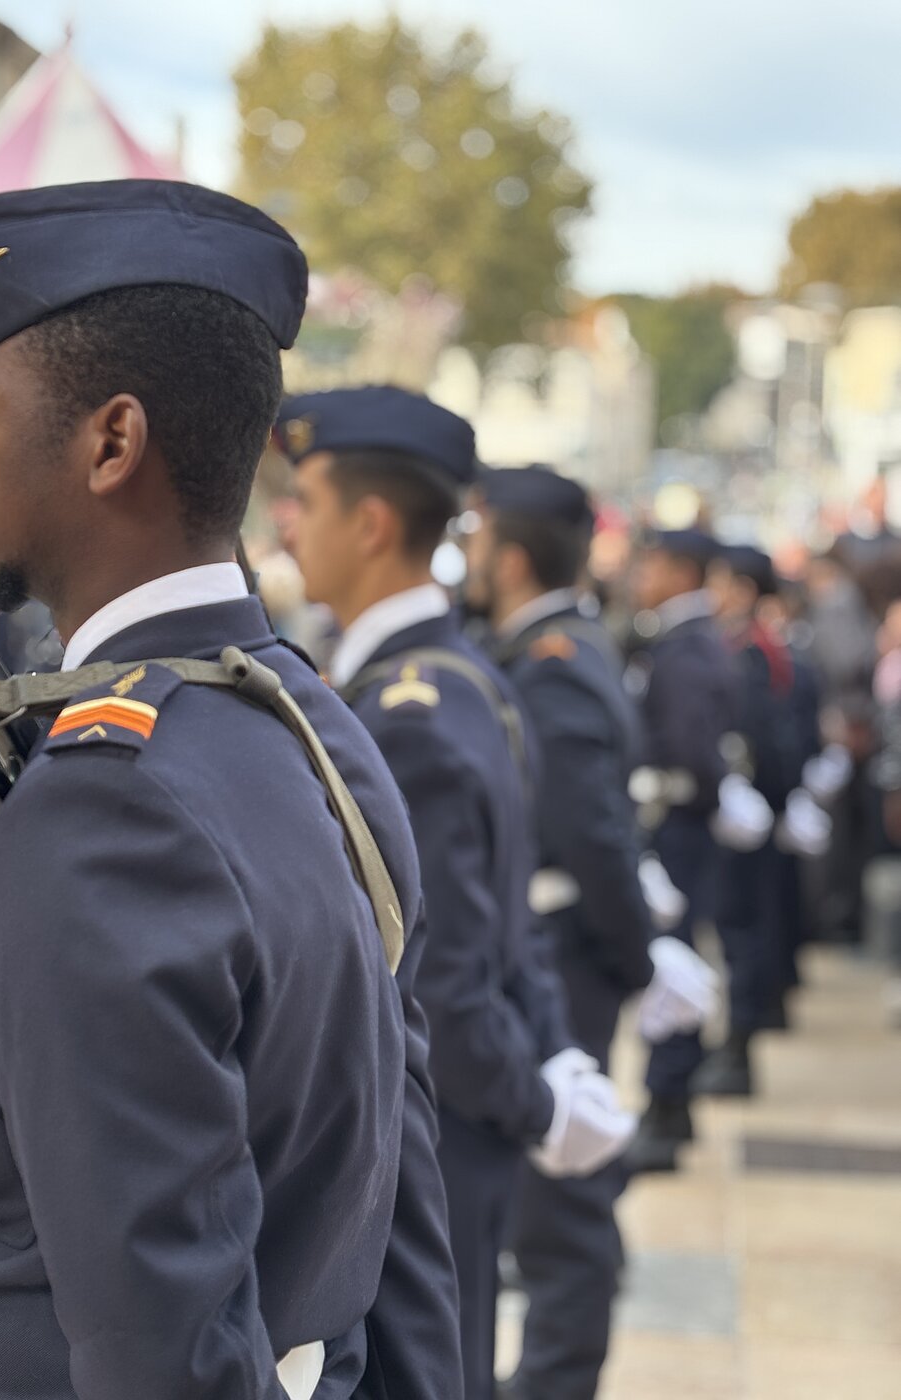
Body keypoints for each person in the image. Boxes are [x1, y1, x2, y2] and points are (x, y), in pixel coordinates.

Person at [0, 179, 462, 1400]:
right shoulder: (306, 716)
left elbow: (162, 1358)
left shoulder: (109, 807)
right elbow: (401, 1197)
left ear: (111, 442)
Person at [277, 391, 635, 1400]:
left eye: (302, 497)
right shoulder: (454, 676)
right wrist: (556, 1056)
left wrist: (536, 1097)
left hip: (419, 1145)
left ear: (373, 522)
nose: (284, 522)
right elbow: (509, 931)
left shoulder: (407, 711)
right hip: (447, 1138)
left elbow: (441, 979)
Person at [465, 467, 713, 1399]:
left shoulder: (553, 660)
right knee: (551, 1202)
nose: (471, 558)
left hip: (561, 954)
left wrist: (635, 954)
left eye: (482, 540)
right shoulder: (563, 645)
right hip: (565, 950)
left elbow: (586, 828)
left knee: (559, 1214)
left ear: (515, 558)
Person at [625, 529, 738, 1173]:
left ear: (680, 572)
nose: (644, 574)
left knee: (673, 959)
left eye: (655, 564)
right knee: (681, 954)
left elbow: (691, 751)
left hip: (677, 824)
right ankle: (675, 1100)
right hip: (683, 823)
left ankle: (667, 1104)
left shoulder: (685, 645)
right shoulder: (683, 638)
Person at [695, 545, 807, 1096]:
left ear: (741, 589)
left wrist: (753, 793)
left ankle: (739, 1049)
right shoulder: (753, 643)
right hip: (749, 809)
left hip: (747, 812)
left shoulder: (750, 649)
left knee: (742, 930)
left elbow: (757, 732)